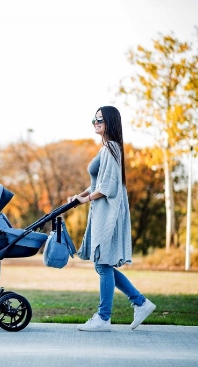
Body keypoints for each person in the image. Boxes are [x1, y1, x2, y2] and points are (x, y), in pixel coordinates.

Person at [67, 106, 156, 332]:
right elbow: (98, 183)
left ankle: (104, 317)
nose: (96, 122)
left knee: (103, 263)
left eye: (100, 119)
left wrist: (86, 200)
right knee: (103, 263)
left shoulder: (112, 148)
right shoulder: (107, 148)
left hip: (109, 212)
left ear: (111, 122)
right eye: (93, 119)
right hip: (102, 211)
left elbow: (108, 187)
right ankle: (140, 302)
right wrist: (81, 196)